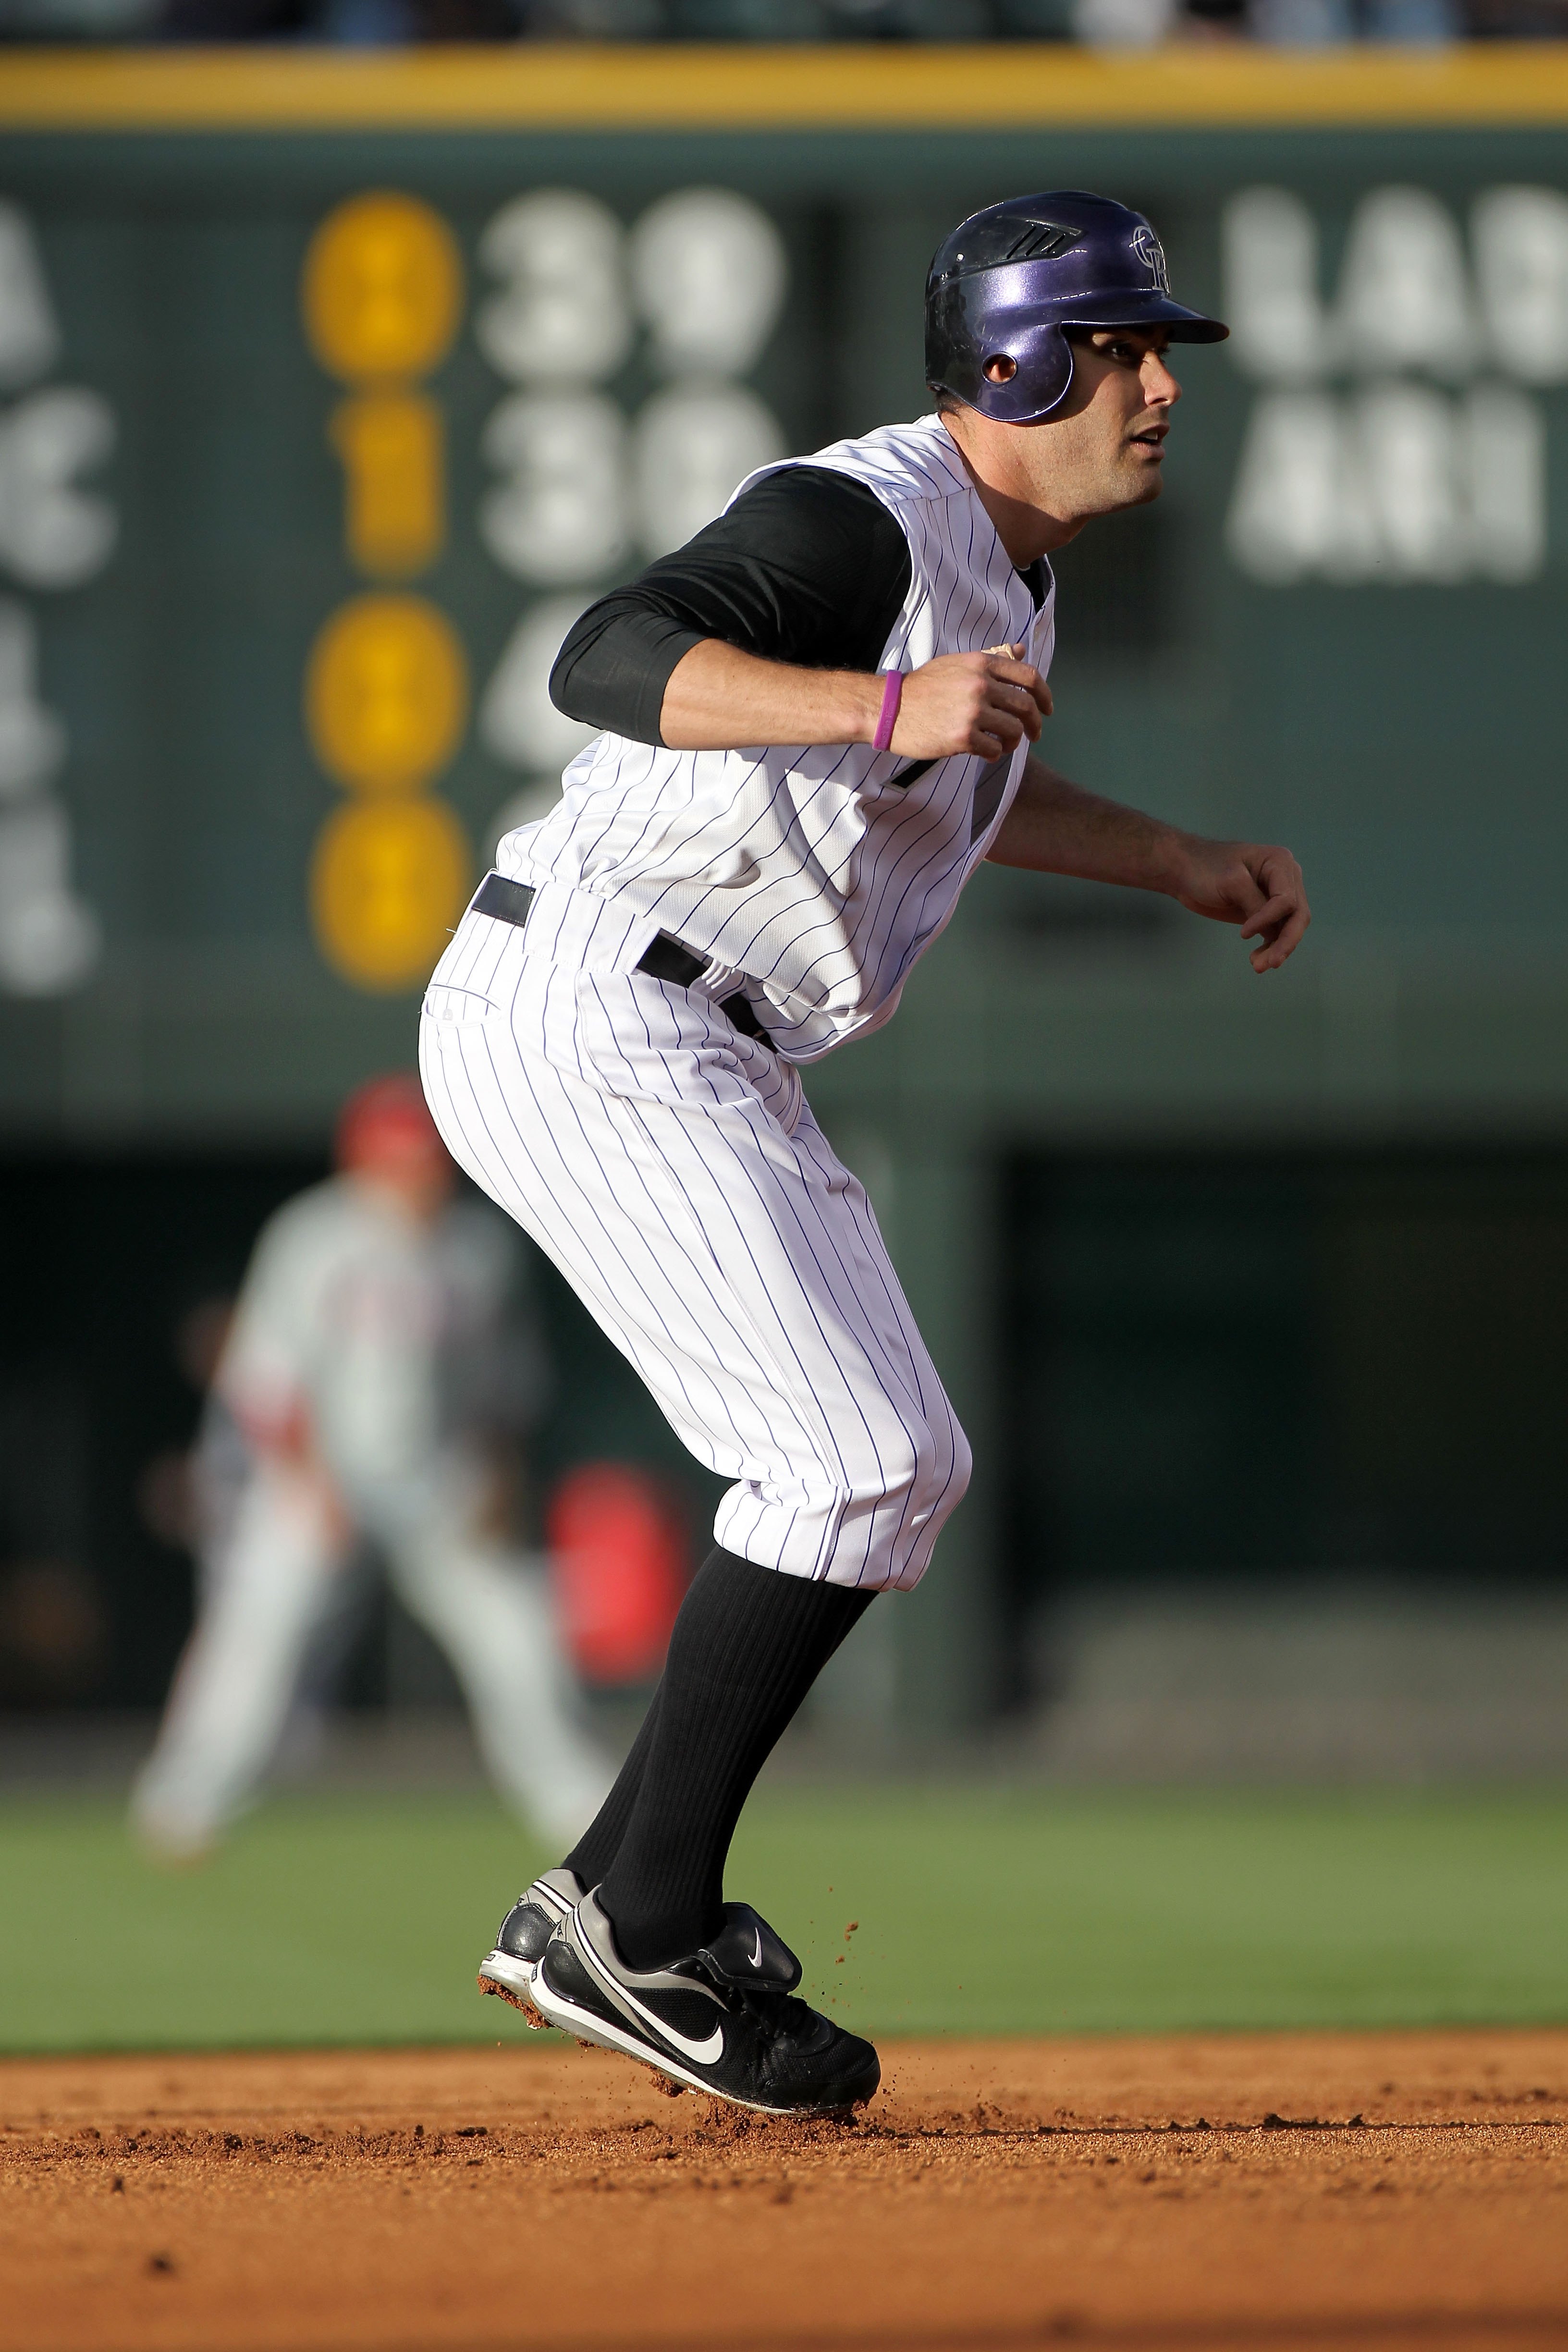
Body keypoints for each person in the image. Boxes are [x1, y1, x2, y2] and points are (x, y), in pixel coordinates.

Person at [420, 192, 1310, 2115]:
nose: (1160, 387)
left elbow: (954, 766)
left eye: (1161, 352)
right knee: (848, 1458)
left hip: (697, 1027)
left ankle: (610, 1899)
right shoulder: (859, 519)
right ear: (1018, 359)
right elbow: (606, 653)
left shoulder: (1014, 568)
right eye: (1124, 348)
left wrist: (1163, 854)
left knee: (894, 1470)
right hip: (594, 1000)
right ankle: (636, 1921)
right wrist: (876, 697)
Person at [130, 1074, 609, 1861]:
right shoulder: (312, 1237)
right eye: (401, 1160)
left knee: (517, 1628)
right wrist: (309, 1483)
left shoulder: (479, 1247)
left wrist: (498, 1476)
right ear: (362, 1162)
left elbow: (505, 1389)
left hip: (437, 1477)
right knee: (258, 1634)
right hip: (320, 1473)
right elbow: (266, 1384)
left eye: (426, 1161)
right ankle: (184, 1799)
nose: (418, 1177)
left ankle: (577, 1803)